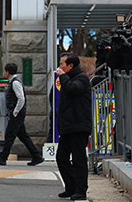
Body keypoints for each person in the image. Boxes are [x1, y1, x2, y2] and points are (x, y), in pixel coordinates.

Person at [0, 63, 44, 167]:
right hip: (17, 113)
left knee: (9, 135)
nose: (4, 73)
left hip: (17, 113)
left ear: (7, 72)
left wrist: (15, 111)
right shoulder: (14, 82)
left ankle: (3, 157)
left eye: (5, 71)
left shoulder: (15, 83)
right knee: (23, 136)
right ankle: (36, 155)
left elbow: (21, 98)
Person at [55, 53, 92, 201]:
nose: (59, 67)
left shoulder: (81, 78)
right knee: (61, 157)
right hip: (68, 126)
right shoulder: (68, 78)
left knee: (79, 159)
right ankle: (70, 187)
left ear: (70, 66)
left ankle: (81, 190)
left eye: (62, 64)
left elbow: (72, 89)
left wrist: (62, 76)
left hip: (79, 125)